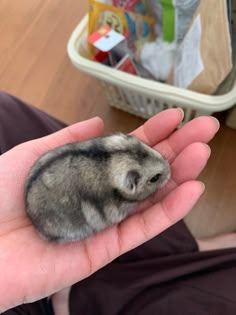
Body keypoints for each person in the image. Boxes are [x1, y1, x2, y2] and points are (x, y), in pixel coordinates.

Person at [0, 91, 235, 315]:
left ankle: (200, 251)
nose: (165, 173)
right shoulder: (113, 198)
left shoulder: (115, 163)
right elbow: (108, 216)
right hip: (57, 223)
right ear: (129, 184)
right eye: (154, 178)